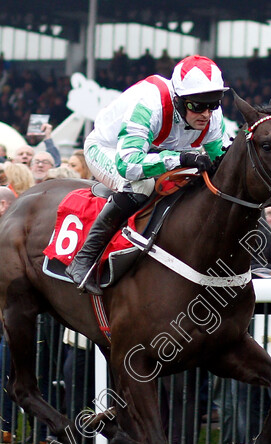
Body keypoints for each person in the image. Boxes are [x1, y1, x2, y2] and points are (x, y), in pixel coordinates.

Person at [68, 55, 232, 294]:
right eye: (197, 106)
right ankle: (84, 258)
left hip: (158, 152)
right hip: (110, 150)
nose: (206, 113)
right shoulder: (149, 106)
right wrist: (181, 159)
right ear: (177, 100)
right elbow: (128, 165)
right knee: (141, 186)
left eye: (213, 103)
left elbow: (223, 162)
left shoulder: (211, 117)